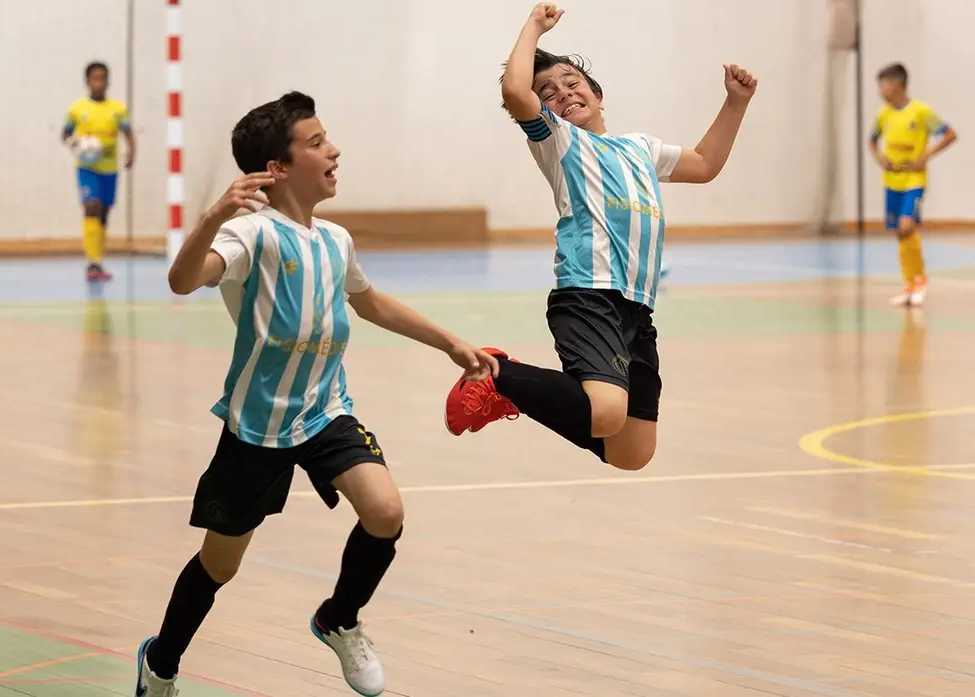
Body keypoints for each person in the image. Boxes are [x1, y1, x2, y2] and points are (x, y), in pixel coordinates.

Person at [134, 91, 498, 697]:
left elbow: (370, 301)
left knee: (385, 513)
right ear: (276, 169)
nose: (334, 150)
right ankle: (161, 661)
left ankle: (339, 619)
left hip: (327, 410)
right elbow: (181, 281)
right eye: (316, 142)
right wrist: (211, 218)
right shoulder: (250, 235)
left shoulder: (335, 239)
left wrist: (450, 343)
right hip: (256, 426)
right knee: (220, 565)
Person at [443, 3, 756, 472]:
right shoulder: (558, 141)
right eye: (548, 92)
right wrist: (534, 26)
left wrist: (736, 102)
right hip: (587, 294)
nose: (563, 93)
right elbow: (514, 89)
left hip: (637, 307)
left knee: (632, 453)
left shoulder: (640, 148)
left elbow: (706, 164)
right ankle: (498, 374)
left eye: (573, 83)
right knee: (605, 412)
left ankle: (513, 388)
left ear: (598, 94)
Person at [869, 62, 958, 307]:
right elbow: (872, 140)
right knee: (900, 233)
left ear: (898, 85)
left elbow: (950, 134)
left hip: (914, 180)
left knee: (907, 226)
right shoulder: (883, 114)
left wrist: (926, 155)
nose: (881, 91)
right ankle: (909, 284)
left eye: (884, 85)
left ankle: (920, 280)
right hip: (892, 181)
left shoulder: (921, 112)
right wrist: (880, 159)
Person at [62, 61, 135, 281]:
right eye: (94, 78)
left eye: (102, 78)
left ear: (108, 80)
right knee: (90, 206)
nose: (99, 82)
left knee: (103, 212)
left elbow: (128, 133)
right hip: (87, 168)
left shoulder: (118, 109)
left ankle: (98, 260)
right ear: (87, 81)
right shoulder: (77, 109)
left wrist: (131, 153)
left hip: (109, 169)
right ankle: (92, 262)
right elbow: (65, 134)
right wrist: (78, 144)